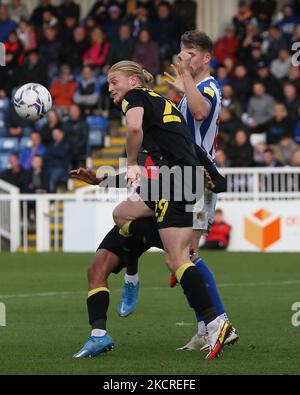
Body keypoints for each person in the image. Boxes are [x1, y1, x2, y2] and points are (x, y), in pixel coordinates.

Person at [72, 60, 231, 359]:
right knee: (122, 215)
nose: (110, 89)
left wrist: (131, 163)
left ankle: (216, 322)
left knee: (177, 259)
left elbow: (133, 131)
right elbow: (188, 148)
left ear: (134, 81)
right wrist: (214, 178)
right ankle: (131, 275)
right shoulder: (164, 106)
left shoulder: (137, 100)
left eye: (114, 82)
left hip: (178, 182)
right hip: (180, 180)